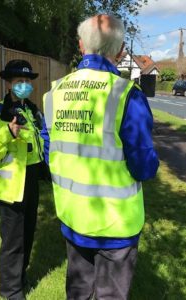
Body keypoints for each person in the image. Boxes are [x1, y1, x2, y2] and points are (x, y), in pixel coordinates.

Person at [41, 14, 159, 299]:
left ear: (81, 46)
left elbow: (49, 154)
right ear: (119, 52)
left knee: (78, 291)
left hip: (73, 217)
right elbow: (144, 166)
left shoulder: (54, 93)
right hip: (116, 225)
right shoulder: (126, 94)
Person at [0, 59, 44, 300]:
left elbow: (39, 145)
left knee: (27, 235)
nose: (24, 85)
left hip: (31, 181)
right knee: (12, 242)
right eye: (19, 81)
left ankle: (21, 276)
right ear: (8, 84)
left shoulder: (32, 111)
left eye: (27, 81)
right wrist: (7, 133)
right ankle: (10, 290)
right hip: (10, 187)